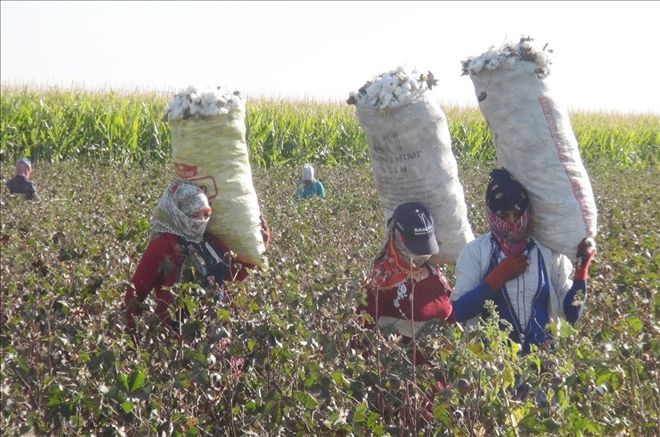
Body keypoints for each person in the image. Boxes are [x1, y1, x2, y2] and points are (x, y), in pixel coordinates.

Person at [450, 168, 595, 353]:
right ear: (491, 215)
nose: (511, 223)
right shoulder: (476, 252)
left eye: (517, 215)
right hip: (493, 365)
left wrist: (581, 274)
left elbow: (572, 314)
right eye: (503, 216)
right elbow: (459, 311)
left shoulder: (547, 254)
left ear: (527, 212)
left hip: (542, 362)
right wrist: (496, 278)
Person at [124, 180, 271, 339]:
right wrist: (131, 338)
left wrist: (261, 243)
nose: (200, 221)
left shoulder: (208, 241)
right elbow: (135, 295)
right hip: (175, 338)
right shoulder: (162, 245)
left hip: (214, 333)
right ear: (178, 212)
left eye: (205, 215)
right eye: (194, 215)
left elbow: (235, 273)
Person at [357, 201, 454, 364]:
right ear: (396, 238)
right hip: (404, 377)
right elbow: (360, 332)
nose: (420, 258)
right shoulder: (381, 279)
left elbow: (450, 308)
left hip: (441, 371)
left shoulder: (432, 270)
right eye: (415, 251)